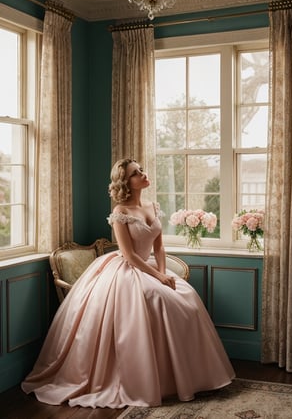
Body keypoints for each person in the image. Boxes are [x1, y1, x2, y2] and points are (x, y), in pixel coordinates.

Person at [21, 158, 235, 409]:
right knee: (157, 299)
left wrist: (165, 274)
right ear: (126, 182)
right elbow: (130, 255)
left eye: (141, 170)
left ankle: (189, 375)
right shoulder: (120, 212)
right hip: (126, 269)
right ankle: (150, 379)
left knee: (186, 298)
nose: (143, 174)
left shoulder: (152, 207)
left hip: (152, 267)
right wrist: (158, 278)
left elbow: (160, 246)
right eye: (136, 173)